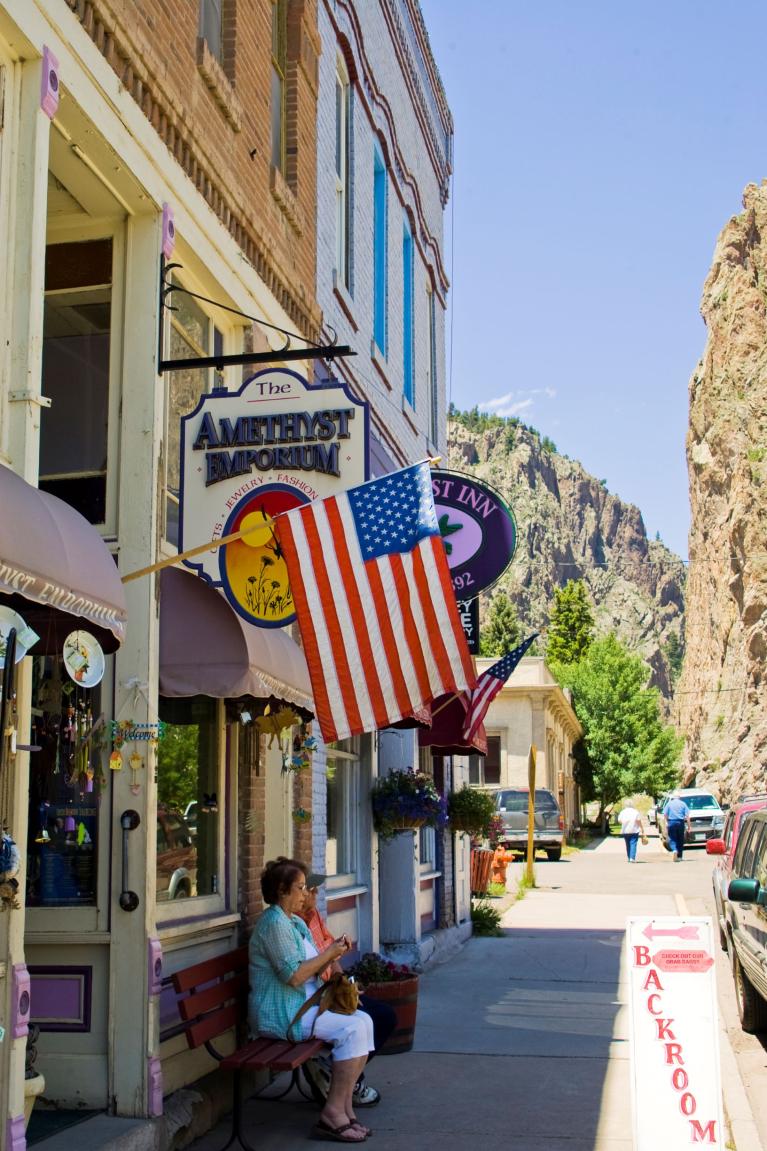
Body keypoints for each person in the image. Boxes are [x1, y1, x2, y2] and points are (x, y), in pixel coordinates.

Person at [248, 857, 373, 1143]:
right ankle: (331, 1114)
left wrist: (334, 953)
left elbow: (314, 964)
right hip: (283, 1015)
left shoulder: (292, 922)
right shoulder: (274, 925)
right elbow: (293, 976)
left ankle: (345, 1109)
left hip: (306, 1007)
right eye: (301, 887)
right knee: (352, 1029)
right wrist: (329, 954)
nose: (307, 894)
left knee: (364, 1021)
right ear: (282, 890)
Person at [297, 870, 396, 1108]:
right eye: (309, 889)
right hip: (317, 996)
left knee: (381, 1015)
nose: (315, 893)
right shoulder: (291, 926)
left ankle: (333, 1072)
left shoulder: (314, 917)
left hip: (331, 990)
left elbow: (332, 958)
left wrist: (348, 986)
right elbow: (301, 972)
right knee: (373, 1019)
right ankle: (343, 1081)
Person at [662, 794, 692, 861]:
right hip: (680, 822)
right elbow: (687, 816)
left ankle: (674, 850)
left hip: (671, 822)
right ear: (679, 797)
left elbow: (665, 814)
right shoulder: (683, 804)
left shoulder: (669, 804)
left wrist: (666, 822)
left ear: (673, 797)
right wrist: (689, 826)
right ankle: (679, 856)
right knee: (680, 839)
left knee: (672, 838)